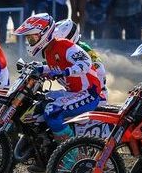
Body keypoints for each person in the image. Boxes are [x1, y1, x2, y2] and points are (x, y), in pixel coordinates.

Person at [14, 13, 105, 144]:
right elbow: (54, 67)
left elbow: (85, 62)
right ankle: (46, 145)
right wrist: (39, 69)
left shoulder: (64, 45)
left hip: (89, 93)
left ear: (44, 33)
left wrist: (66, 72)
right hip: (73, 92)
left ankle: (70, 153)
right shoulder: (48, 51)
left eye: (32, 38)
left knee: (52, 111)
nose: (30, 42)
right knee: (39, 102)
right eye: (28, 39)